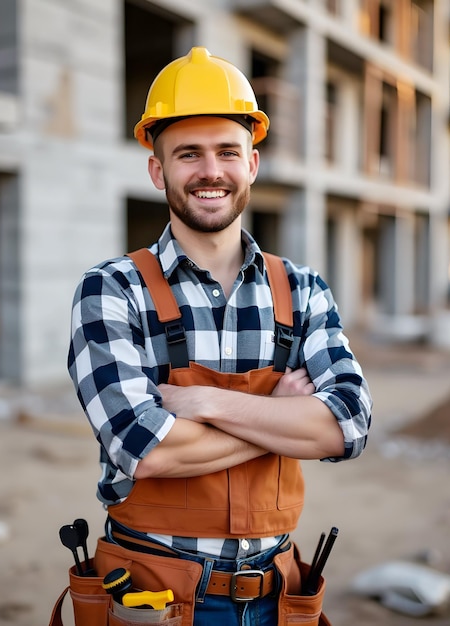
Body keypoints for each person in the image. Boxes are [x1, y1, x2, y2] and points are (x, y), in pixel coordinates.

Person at [68, 46, 372, 626]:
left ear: (252, 164)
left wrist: (210, 404)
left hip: (277, 596)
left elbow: (349, 425)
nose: (211, 171)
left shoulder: (302, 289)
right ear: (158, 170)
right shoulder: (111, 290)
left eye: (227, 152)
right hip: (153, 595)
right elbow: (144, 448)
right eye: (188, 154)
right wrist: (281, 419)